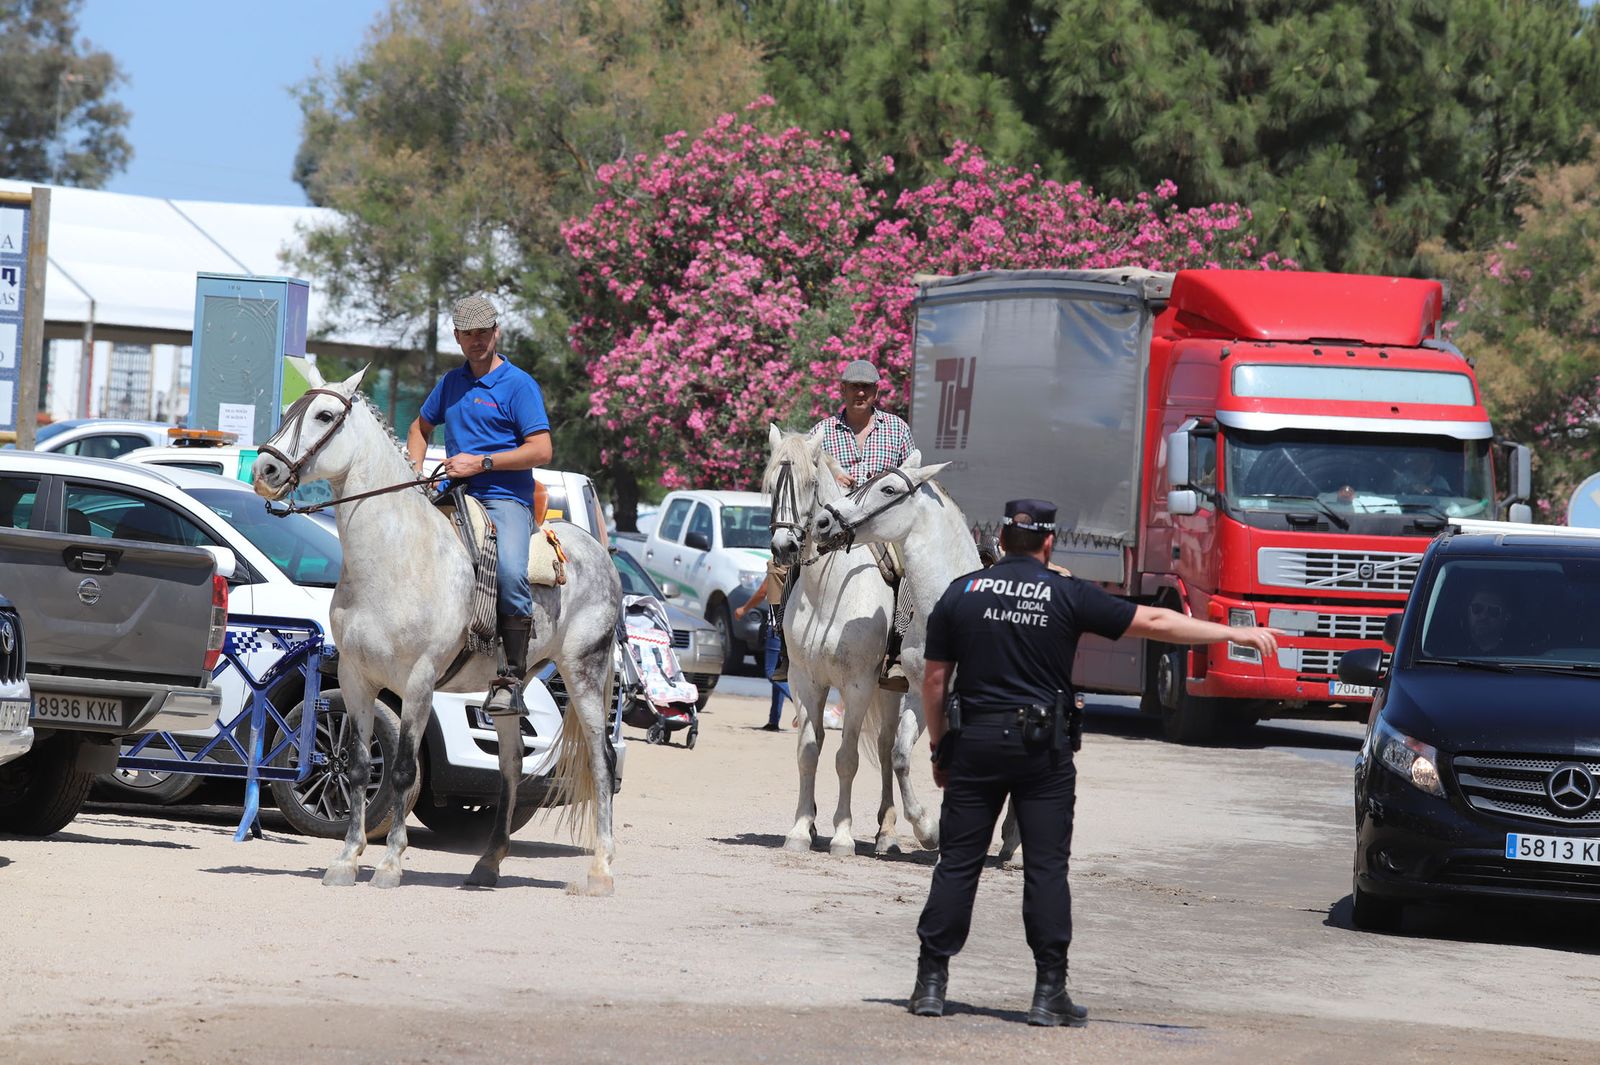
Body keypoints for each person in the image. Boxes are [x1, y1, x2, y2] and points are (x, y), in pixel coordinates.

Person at [910, 499, 1282, 1027]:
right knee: (1044, 869)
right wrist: (1232, 633)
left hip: (975, 743)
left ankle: (930, 983)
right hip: (1043, 751)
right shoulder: (1066, 593)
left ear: (1000, 541)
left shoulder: (961, 594)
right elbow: (1154, 621)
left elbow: (934, 681)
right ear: (1047, 543)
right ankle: (1047, 993)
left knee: (958, 864)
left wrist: (940, 747)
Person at [406, 295, 552, 709]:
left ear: (496, 331)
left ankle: (510, 676)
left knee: (509, 572)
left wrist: (482, 462)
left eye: (483, 333)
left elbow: (542, 450)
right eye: (468, 334)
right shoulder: (451, 383)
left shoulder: (519, 385)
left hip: (505, 498)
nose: (476, 341)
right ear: (456, 337)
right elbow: (420, 426)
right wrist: (415, 474)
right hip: (454, 494)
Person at [772, 359, 916, 690]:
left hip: (878, 524)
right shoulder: (821, 432)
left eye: (866, 387)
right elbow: (805, 471)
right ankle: (784, 645)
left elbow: (909, 475)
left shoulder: (897, 430)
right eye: (854, 386)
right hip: (831, 527)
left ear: (877, 391)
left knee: (906, 567)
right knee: (784, 568)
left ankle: (897, 650)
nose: (860, 392)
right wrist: (832, 471)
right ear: (843, 390)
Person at [733, 557, 792, 731]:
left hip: (776, 625)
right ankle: (774, 720)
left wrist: (743, 609)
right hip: (790, 623)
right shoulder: (795, 563)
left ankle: (800, 704)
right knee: (780, 673)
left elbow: (762, 592)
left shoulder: (776, 563)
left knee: (770, 672)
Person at [1465, 587, 1510, 654]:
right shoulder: (1450, 650)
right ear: (1469, 613)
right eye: (1477, 608)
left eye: (1493, 611)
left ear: (1505, 619)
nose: (1484, 616)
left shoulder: (1519, 656)